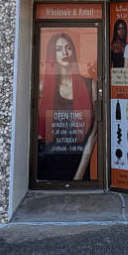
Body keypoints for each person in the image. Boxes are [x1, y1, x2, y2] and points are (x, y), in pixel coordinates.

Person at [37, 33, 98, 181]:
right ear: (53, 54)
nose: (64, 52)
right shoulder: (43, 87)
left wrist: (78, 176)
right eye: (58, 49)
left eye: (68, 48)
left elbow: (95, 131)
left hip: (78, 164)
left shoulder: (90, 85)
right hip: (47, 165)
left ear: (73, 52)